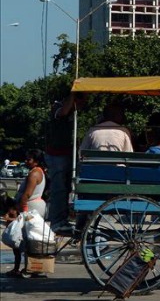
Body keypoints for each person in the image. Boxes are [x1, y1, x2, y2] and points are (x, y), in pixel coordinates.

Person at [46, 92, 86, 233]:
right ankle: (57, 221)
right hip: (57, 155)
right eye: (80, 101)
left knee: (66, 189)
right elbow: (62, 112)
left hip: (67, 154)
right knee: (59, 189)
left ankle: (63, 218)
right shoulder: (57, 107)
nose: (82, 106)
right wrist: (74, 94)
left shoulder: (72, 114)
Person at [6, 149, 47, 278]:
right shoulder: (37, 172)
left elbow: (27, 195)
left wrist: (21, 210)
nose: (26, 161)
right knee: (27, 238)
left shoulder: (34, 173)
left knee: (22, 238)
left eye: (29, 159)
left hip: (30, 207)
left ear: (36, 161)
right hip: (33, 207)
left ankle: (27, 268)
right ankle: (23, 267)